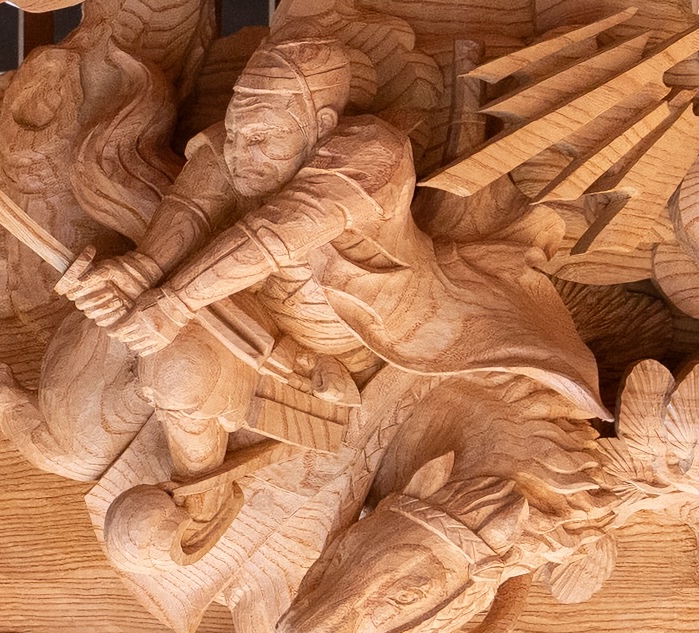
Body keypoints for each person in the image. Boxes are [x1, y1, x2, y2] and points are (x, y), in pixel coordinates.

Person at [62, 35, 606, 489]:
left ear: (321, 122)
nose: (241, 152)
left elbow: (276, 232)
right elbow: (192, 206)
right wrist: (139, 269)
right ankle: (201, 490)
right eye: (236, 133)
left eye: (261, 137)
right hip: (259, 328)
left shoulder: (371, 152)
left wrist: (170, 302)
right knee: (177, 373)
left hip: (371, 347)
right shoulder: (239, 146)